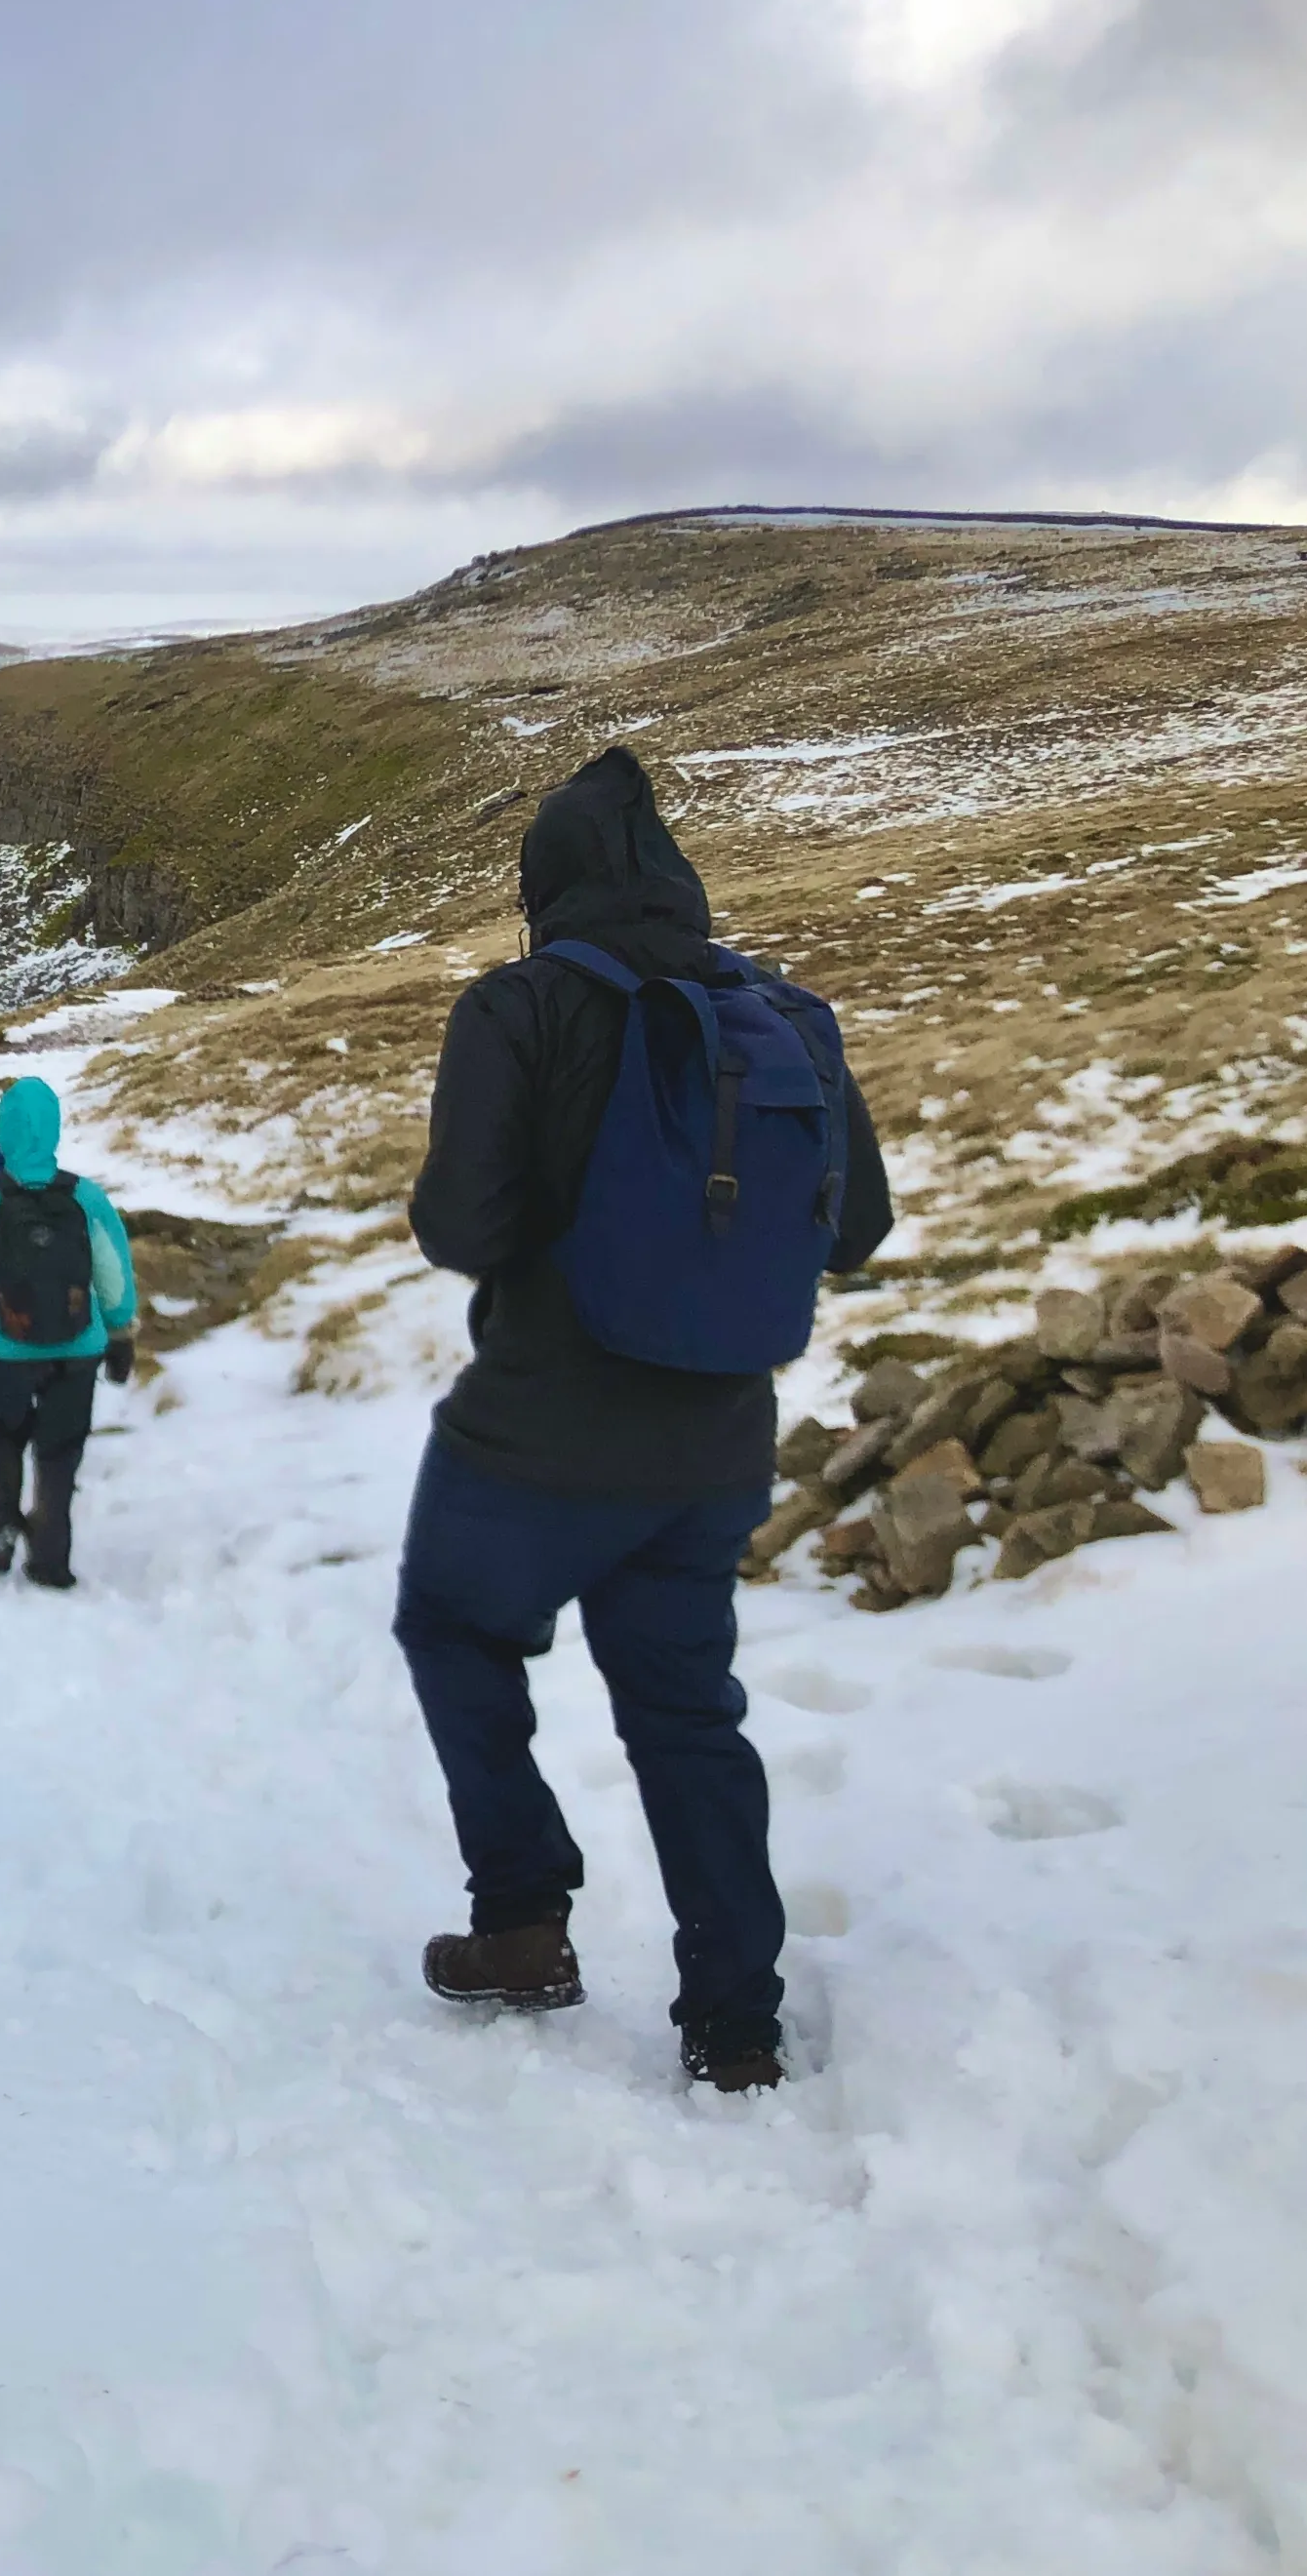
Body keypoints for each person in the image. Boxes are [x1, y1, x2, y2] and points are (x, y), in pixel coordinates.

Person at [397, 745, 891, 2095]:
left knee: (452, 1626)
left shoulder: (521, 1006)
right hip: (716, 1440)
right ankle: (734, 2020)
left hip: (536, 1436)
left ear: (543, 887)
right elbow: (857, 1229)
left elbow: (460, 1225)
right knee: (685, 1714)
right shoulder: (785, 1016)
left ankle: (520, 1922)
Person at [0, 1076, 137, 1587]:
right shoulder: (86, 1196)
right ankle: (51, 1558)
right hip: (78, 1347)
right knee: (60, 1454)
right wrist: (121, 1331)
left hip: (4, 1347)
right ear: (54, 1129)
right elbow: (113, 1275)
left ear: (7, 1132)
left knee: (1, 1439)